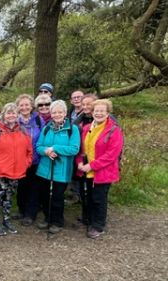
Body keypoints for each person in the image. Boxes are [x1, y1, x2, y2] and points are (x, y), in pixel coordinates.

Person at [76, 99, 124, 239]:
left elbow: (112, 155)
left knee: (99, 198)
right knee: (87, 197)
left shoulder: (114, 130)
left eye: (102, 111)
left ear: (108, 112)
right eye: (96, 111)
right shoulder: (86, 128)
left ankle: (98, 225)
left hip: (103, 172)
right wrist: (79, 162)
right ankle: (88, 220)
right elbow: (81, 149)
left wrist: (91, 165)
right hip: (86, 169)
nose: (99, 113)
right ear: (92, 112)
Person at [0, 103, 33, 236]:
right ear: (4, 115)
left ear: (17, 115)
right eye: (9, 113)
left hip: (17, 172)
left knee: (9, 198)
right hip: (0, 172)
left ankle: (6, 220)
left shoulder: (23, 131)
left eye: (14, 113)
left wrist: (26, 164)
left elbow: (29, 151)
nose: (11, 115)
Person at [35, 100, 81, 234]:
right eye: (54, 112)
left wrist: (55, 148)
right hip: (44, 169)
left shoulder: (72, 129)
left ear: (65, 113)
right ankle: (47, 218)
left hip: (62, 170)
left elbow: (74, 149)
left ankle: (57, 221)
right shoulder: (46, 128)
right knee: (45, 196)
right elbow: (38, 147)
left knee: (57, 197)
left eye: (60, 112)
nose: (57, 114)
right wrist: (46, 151)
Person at [15, 94, 42, 226]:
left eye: (27, 105)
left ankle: (30, 214)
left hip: (35, 161)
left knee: (34, 187)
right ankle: (21, 210)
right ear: (18, 107)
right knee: (21, 186)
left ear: (31, 106)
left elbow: (43, 138)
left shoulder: (38, 121)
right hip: (19, 161)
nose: (24, 107)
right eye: (21, 105)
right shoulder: (14, 121)